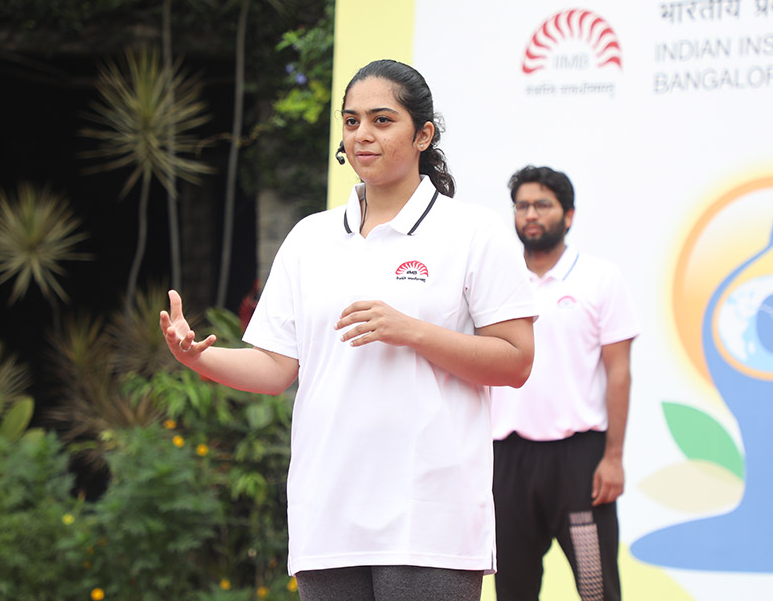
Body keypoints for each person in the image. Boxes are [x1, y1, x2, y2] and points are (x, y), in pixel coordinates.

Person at [160, 59, 538, 601]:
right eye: (352, 120)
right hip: (327, 519)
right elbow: (274, 370)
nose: (363, 134)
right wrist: (198, 358)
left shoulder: (472, 232)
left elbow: (516, 361)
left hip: (428, 520)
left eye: (382, 120)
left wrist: (411, 331)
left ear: (423, 135)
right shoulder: (309, 238)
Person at [490, 166, 639, 601]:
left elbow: (620, 372)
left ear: (568, 215)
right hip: (507, 457)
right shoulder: (496, 279)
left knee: (596, 589)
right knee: (512, 590)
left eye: (542, 205)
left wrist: (614, 458)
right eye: (522, 206)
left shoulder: (600, 278)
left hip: (580, 461)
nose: (530, 214)